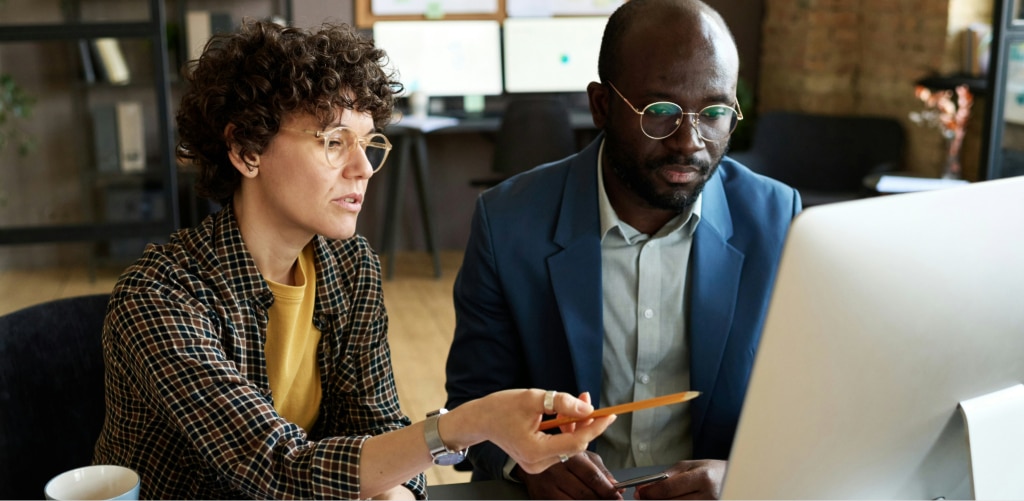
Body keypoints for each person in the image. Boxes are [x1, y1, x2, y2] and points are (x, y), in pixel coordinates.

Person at [91, 19, 613, 500]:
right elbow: (276, 466)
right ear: (247, 149)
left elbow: (378, 428)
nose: (363, 167)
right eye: (335, 141)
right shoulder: (158, 295)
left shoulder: (348, 264)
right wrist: (470, 423)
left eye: (368, 143)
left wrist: (398, 492)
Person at [444, 0, 802, 499]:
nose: (689, 142)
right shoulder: (508, 222)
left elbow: (811, 402)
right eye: (659, 112)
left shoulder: (777, 219)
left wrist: (742, 474)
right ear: (601, 106)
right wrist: (524, 464)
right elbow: (471, 403)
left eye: (716, 111)